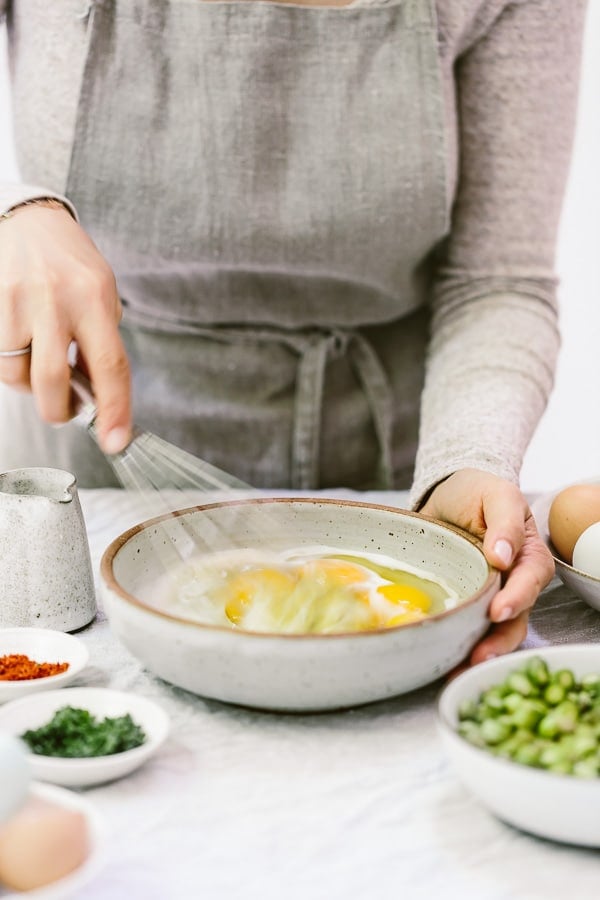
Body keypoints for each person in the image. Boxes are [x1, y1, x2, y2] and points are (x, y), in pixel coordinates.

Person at [0, 0, 588, 662]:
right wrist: (13, 208)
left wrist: (469, 460)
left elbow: (497, 280)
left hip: (389, 474)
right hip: (89, 451)